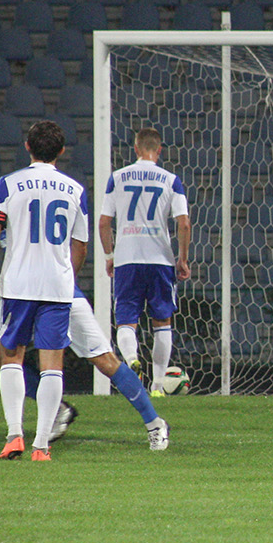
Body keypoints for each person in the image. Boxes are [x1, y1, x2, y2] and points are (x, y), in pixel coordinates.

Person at [0, 167, 168, 451]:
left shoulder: (13, 197)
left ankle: (154, 423)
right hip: (40, 291)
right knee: (3, 355)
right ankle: (57, 410)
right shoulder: (19, 201)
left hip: (54, 294)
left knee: (104, 360)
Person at [0, 121, 89, 462]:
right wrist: (67, 277)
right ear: (61, 151)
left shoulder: (8, 185)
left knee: (12, 357)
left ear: (27, 147)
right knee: (52, 363)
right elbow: (80, 245)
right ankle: (41, 445)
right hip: (56, 286)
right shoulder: (75, 189)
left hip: (19, 285)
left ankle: (14, 436)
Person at [99, 127, 191, 398]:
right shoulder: (171, 180)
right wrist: (182, 259)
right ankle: (158, 386)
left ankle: (131, 359)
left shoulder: (117, 177)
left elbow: (104, 222)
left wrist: (109, 256)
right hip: (160, 259)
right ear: (159, 150)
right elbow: (184, 223)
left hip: (127, 259)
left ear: (136, 149)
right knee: (162, 321)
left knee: (126, 321)